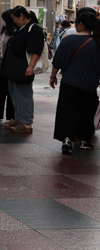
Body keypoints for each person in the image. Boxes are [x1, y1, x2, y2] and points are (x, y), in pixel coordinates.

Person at [50, 11, 100, 154]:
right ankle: (84, 140)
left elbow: (57, 61)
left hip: (69, 83)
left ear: (80, 24)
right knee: (86, 112)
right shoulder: (97, 42)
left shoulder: (68, 40)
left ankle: (66, 140)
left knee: (67, 112)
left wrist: (53, 77)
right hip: (89, 85)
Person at [0, 6, 45, 134]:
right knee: (15, 94)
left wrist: (31, 66)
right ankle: (19, 119)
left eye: (14, 19)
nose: (13, 21)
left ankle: (26, 122)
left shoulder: (34, 29)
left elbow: (36, 50)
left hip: (23, 68)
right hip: (14, 68)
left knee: (24, 94)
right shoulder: (21, 29)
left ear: (21, 16)